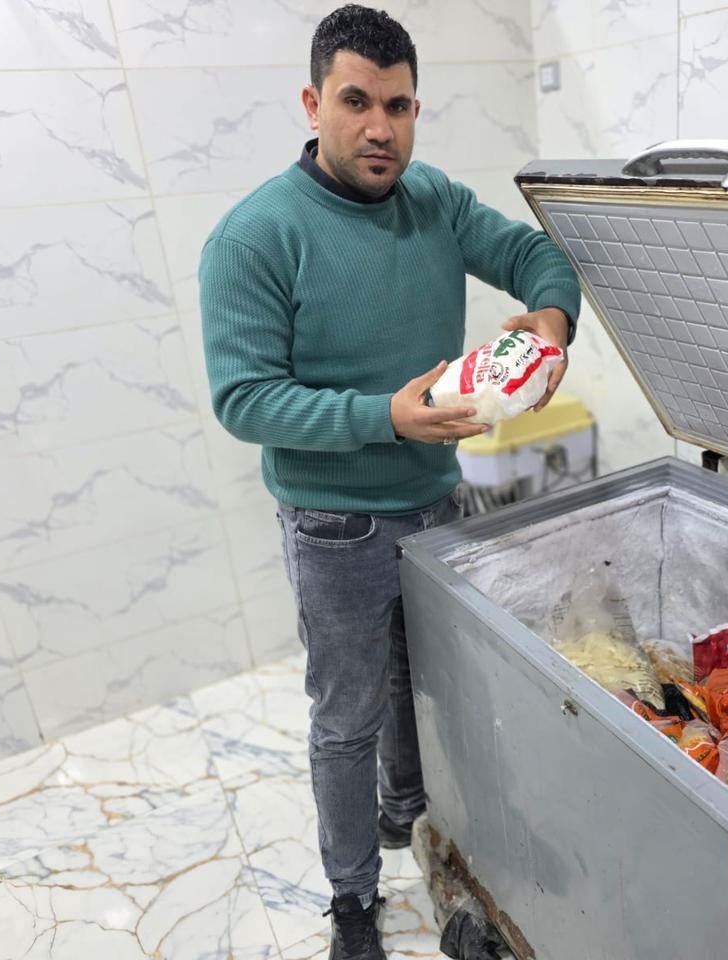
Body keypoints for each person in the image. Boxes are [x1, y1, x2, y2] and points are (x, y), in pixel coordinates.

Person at [198, 5, 580, 958]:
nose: (380, 127)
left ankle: (409, 811)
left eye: (399, 106)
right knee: (347, 718)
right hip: (335, 526)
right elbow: (245, 400)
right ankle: (352, 899)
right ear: (313, 104)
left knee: (431, 686)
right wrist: (386, 416)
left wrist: (552, 323)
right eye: (356, 101)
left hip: (436, 504)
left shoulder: (434, 199)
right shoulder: (254, 237)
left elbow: (531, 254)